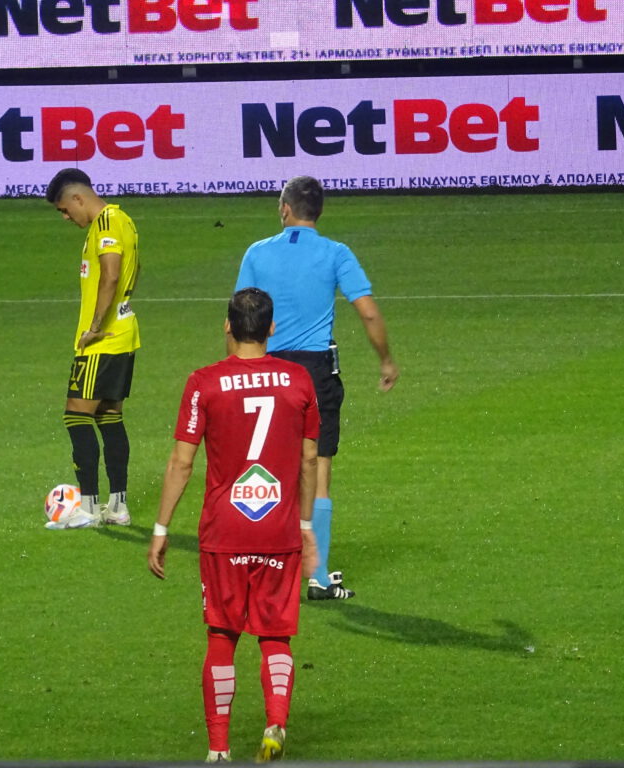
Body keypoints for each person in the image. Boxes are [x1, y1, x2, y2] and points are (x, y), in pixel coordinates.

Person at [148, 288, 320, 764]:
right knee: (276, 636)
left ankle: (219, 749)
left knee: (222, 637)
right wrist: (305, 524)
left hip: (225, 531)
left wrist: (161, 529)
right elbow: (309, 459)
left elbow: (182, 462)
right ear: (271, 328)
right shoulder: (298, 380)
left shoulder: (203, 383)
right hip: (277, 527)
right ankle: (275, 723)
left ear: (227, 325)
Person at [235, 176, 399, 600]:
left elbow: (236, 321)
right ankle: (318, 576)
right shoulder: (336, 253)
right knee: (318, 468)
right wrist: (385, 360)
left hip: (266, 370)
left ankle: (267, 570)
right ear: (318, 212)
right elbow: (368, 313)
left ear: (285, 209)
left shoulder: (257, 252)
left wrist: (237, 374)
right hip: (314, 372)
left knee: (267, 470)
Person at [45, 168, 139, 528]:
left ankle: (86, 508)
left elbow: (111, 275)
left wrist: (95, 327)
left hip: (103, 341)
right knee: (109, 416)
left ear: (77, 198)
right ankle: (118, 507)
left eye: (64, 210)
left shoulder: (106, 223)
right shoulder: (124, 221)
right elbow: (135, 270)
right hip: (124, 334)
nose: (66, 217)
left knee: (76, 415)